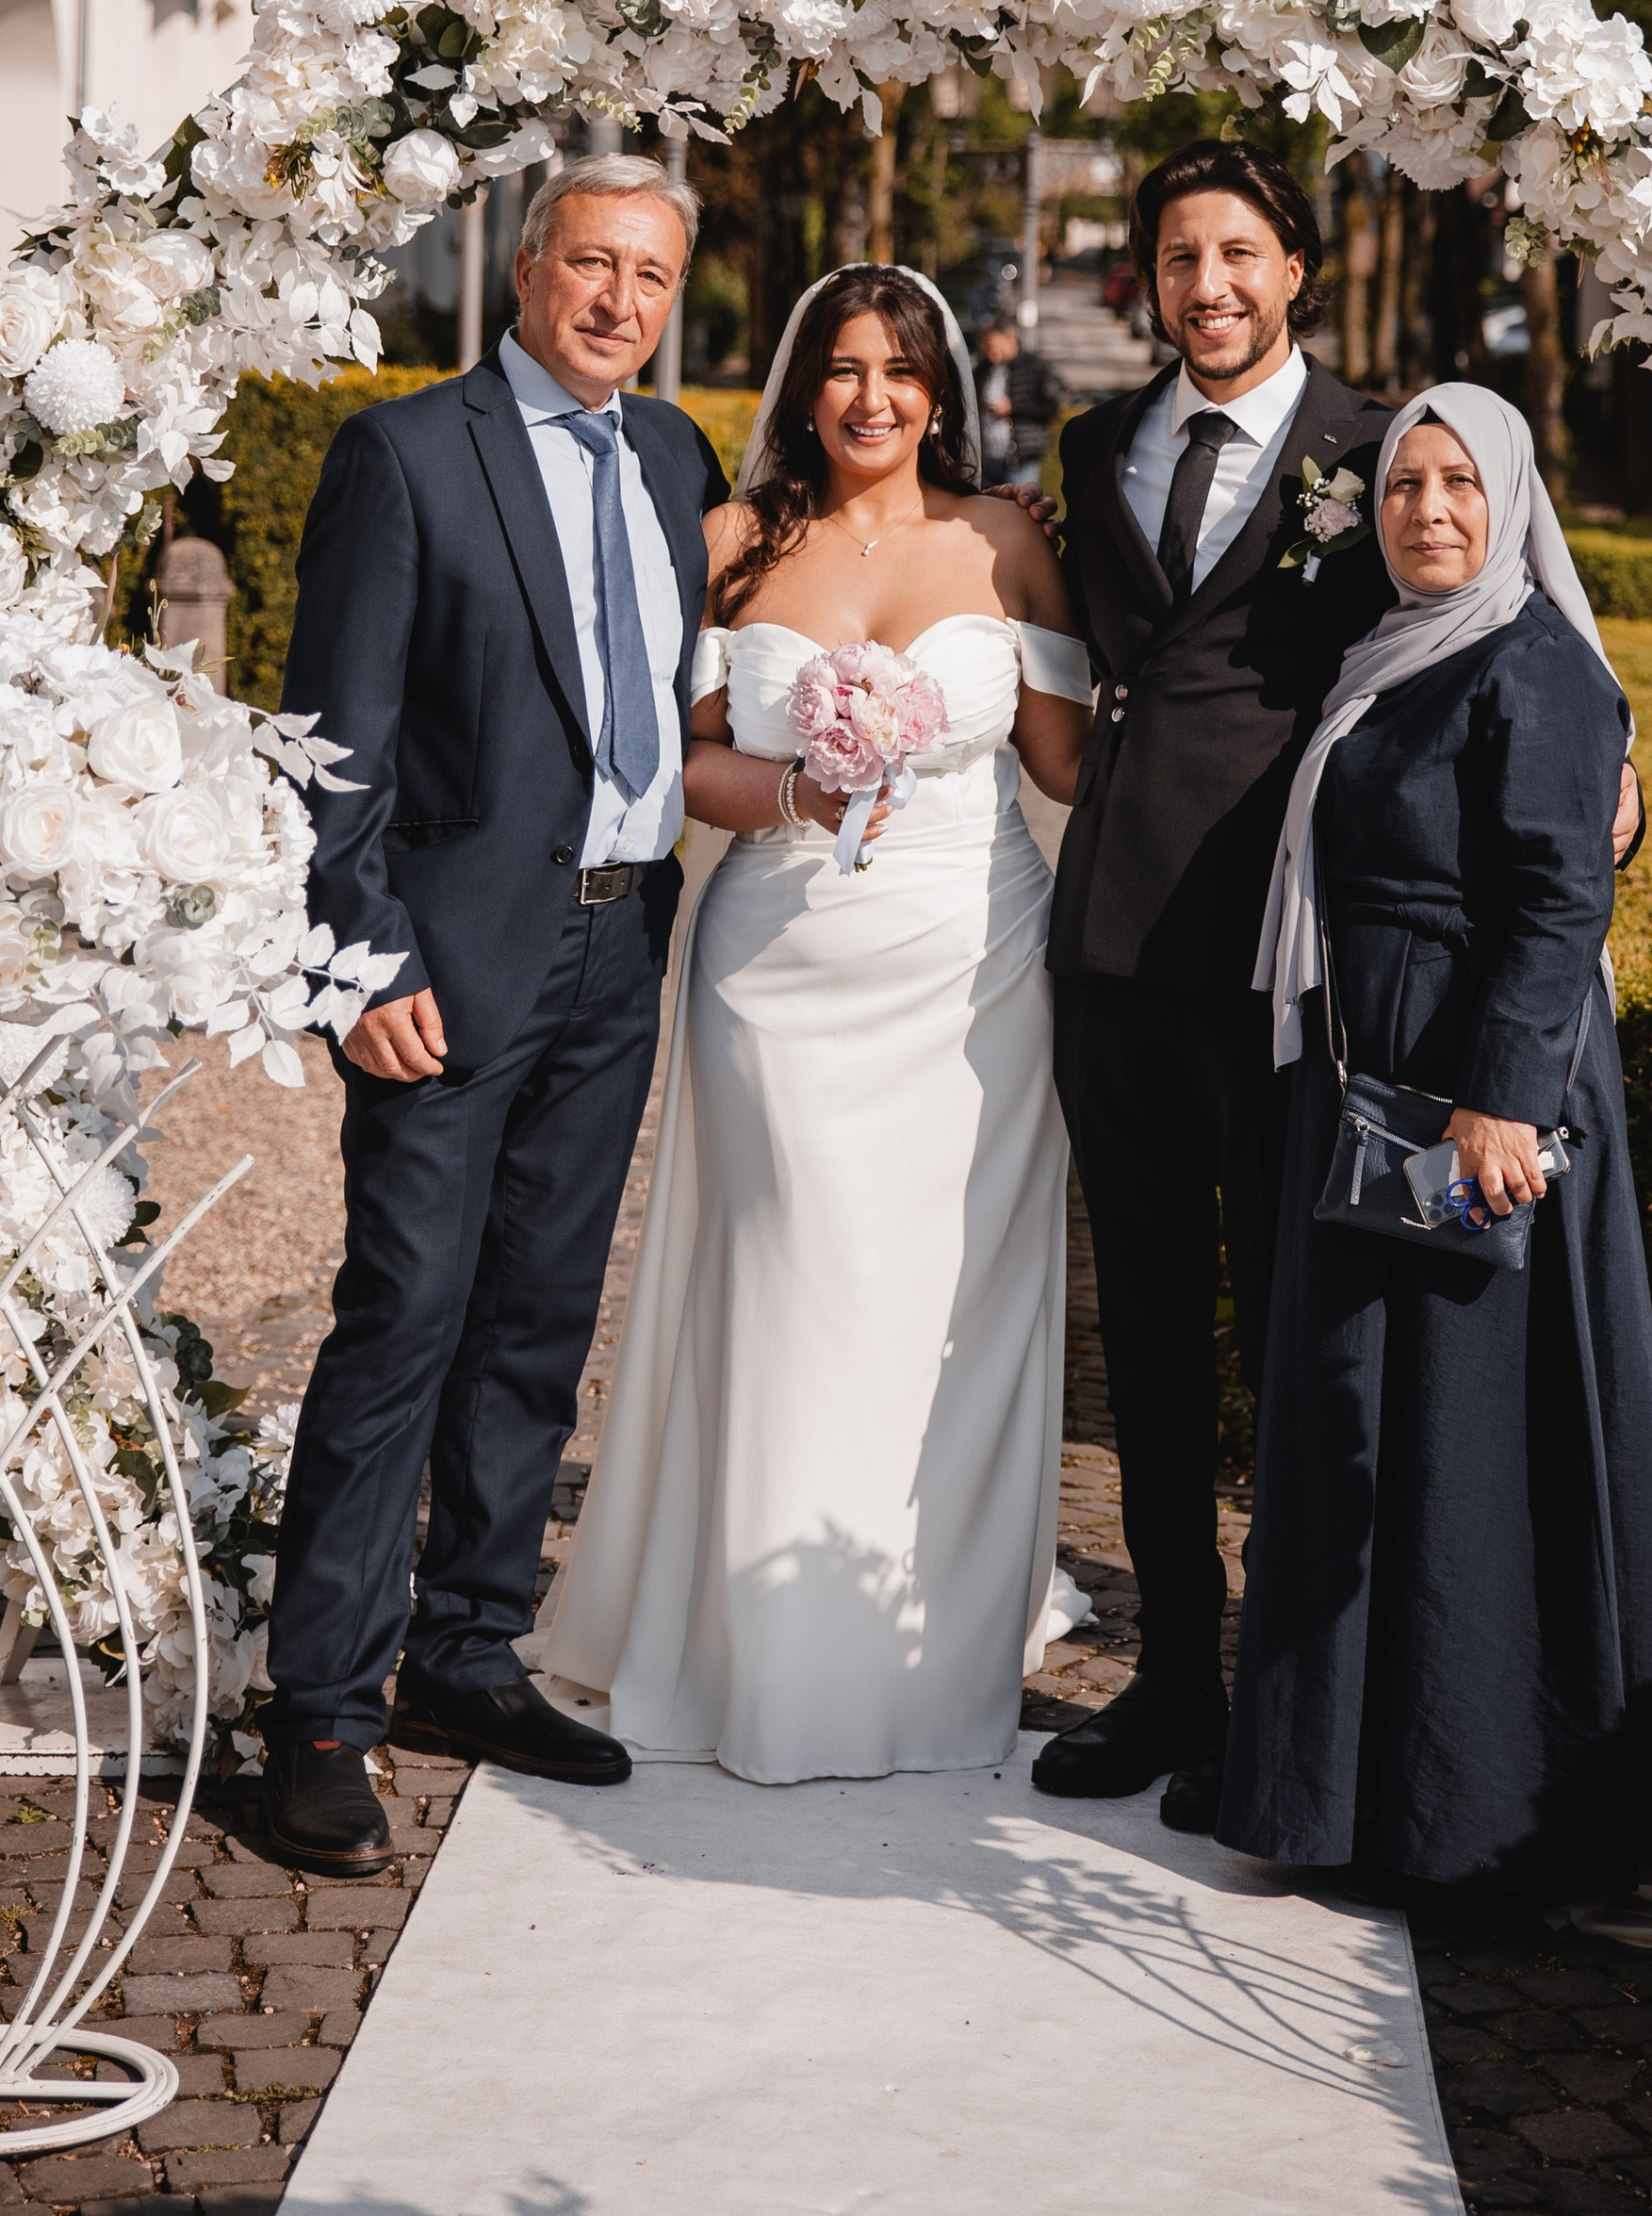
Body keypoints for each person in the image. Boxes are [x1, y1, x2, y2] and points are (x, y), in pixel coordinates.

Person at [541, 264, 1092, 1782]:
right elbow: (682, 767)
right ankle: (763, 1652)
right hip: (772, 970)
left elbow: (1064, 768)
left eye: (899, 372)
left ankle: (930, 1643)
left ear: (940, 389)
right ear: (803, 384)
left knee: (942, 1308)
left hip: (975, 973)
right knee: (790, 1286)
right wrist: (800, 788)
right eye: (843, 369)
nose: (870, 399)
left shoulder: (1009, 542)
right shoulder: (730, 544)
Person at [259, 156, 726, 1876]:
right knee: (403, 1316)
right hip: (450, 973)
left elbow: (670, 714)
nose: (619, 301)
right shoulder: (403, 456)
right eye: (593, 263)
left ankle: (466, 1650)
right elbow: (331, 748)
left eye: (652, 276)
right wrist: (364, 964)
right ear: (527, 269)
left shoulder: (675, 457)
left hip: (619, 952)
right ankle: (319, 1707)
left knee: (539, 1322)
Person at [1219, 386, 1652, 1925]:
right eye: (1405, 485)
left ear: (1511, 505)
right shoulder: (1384, 649)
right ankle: (1341, 1794)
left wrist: (1496, 1100)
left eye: (1460, 486)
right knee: (1367, 1427)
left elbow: (1562, 897)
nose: (1429, 510)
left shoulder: (1540, 664)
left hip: (1479, 1096)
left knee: (1476, 1450)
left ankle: (1478, 1816)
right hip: (1368, 1078)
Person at [1034, 144, 1398, 1832]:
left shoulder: (1383, 448)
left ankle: (1293, 1704)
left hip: (1284, 961)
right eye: (1181, 257)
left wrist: (1599, 767)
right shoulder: (1095, 446)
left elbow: (1497, 618)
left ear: (1297, 269)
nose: (1210, 287)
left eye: (1240, 254)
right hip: (1112, 953)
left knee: (1297, 1343)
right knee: (1156, 1348)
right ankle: (1175, 1677)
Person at [973, 312, 1060, 481]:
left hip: (1021, 459)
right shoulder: (983, 370)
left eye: (994, 344)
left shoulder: (1034, 367)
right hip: (988, 459)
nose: (991, 351)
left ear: (1009, 339)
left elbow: (1050, 407)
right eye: (986, 346)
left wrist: (1013, 407)